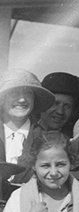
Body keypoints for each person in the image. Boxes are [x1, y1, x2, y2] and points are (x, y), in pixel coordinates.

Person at [1, 68, 55, 204]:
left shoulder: (47, 140)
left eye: (28, 93)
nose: (22, 99)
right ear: (2, 98)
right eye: (14, 92)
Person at [39, 73, 79, 139]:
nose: (60, 111)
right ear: (42, 104)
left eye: (67, 106)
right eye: (55, 103)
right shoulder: (24, 133)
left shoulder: (75, 140)